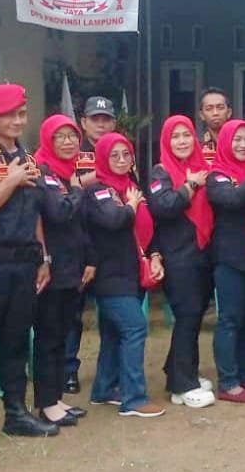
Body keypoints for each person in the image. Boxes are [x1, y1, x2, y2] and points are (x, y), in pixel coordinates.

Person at [0, 83, 59, 438]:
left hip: (25, 260)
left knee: (17, 340)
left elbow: (34, 210)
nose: (18, 121)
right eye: (9, 115)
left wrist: (43, 256)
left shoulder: (27, 157)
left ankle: (16, 412)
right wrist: (10, 182)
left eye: (22, 114)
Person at [83, 133, 166, 418]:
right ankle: (134, 398)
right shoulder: (97, 191)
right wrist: (130, 206)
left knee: (112, 333)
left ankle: (104, 389)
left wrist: (155, 255)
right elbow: (113, 220)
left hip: (131, 273)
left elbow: (149, 229)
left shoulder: (132, 187)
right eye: (114, 155)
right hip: (110, 275)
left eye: (126, 154)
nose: (121, 160)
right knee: (134, 328)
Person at [146, 115, 217, 408]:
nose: (182, 141)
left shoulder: (202, 167)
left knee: (195, 315)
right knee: (187, 315)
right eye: (175, 136)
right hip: (177, 257)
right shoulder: (160, 172)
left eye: (186, 135)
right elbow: (163, 207)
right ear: (166, 141)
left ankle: (176, 370)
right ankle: (182, 386)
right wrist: (189, 185)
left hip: (202, 254)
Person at [30, 114, 92, 427]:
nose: (68, 142)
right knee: (49, 337)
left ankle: (55, 398)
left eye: (72, 136)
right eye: (60, 136)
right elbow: (58, 212)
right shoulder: (43, 172)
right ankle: (45, 403)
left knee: (62, 334)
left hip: (71, 267)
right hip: (51, 269)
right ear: (48, 140)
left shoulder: (67, 174)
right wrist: (79, 190)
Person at [206, 119, 245, 403]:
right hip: (230, 258)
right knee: (230, 319)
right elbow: (231, 200)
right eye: (237, 139)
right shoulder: (217, 174)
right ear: (225, 142)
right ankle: (228, 382)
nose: (244, 145)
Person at [63, 95, 116, 395]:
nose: (101, 124)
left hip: (110, 240)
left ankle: (109, 374)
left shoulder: (121, 151)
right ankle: (68, 369)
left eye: (106, 119)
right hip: (79, 239)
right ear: (83, 122)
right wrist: (100, 175)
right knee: (72, 312)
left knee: (110, 311)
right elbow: (66, 188)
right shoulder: (72, 151)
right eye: (95, 119)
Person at [197, 87, 233, 163]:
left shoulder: (239, 142)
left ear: (229, 113)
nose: (215, 113)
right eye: (209, 109)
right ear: (202, 115)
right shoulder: (196, 145)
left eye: (220, 108)